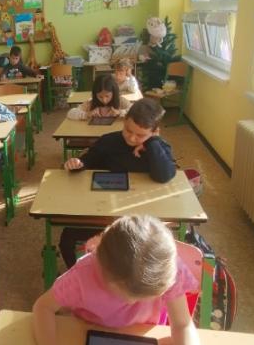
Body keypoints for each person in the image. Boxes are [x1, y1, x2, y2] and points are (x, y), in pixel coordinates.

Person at [32, 215, 221, 345]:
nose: (133, 304)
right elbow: (42, 307)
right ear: (102, 272)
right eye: (128, 297)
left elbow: (182, 325)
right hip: (91, 341)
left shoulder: (168, 269)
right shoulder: (81, 276)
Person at [60, 98, 176, 267]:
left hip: (140, 219)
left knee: (136, 253)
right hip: (104, 212)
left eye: (141, 135)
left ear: (155, 132)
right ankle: (80, 275)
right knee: (67, 240)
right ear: (124, 121)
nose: (132, 138)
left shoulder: (158, 147)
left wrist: (152, 143)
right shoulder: (109, 141)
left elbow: (164, 175)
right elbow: (88, 160)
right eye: (128, 130)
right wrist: (78, 164)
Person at [67, 73, 132, 121]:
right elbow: (70, 113)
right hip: (95, 133)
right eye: (100, 97)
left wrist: (120, 113)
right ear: (95, 95)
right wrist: (87, 114)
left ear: (114, 93)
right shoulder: (91, 103)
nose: (104, 100)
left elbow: (135, 112)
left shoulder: (121, 101)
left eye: (107, 96)